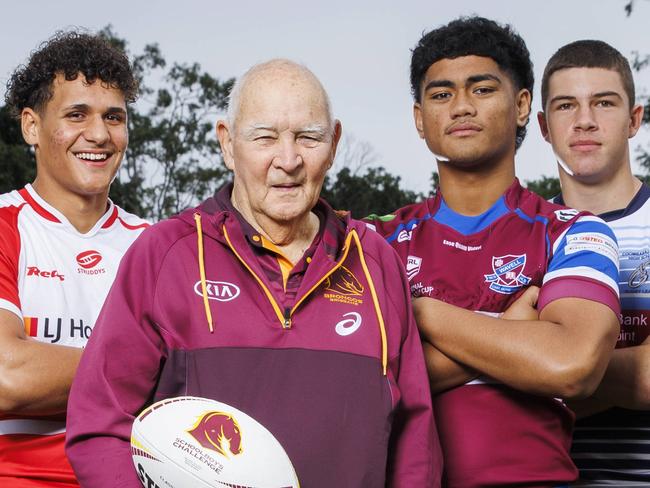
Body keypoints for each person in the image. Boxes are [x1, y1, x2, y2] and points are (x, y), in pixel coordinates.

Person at [65, 59, 440, 487]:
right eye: (264, 137)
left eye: (308, 137)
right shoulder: (163, 255)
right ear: (227, 144)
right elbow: (99, 424)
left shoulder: (376, 261)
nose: (288, 159)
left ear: (333, 143)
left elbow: (416, 441)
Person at [366, 17, 620, 487]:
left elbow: (570, 364)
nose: (461, 106)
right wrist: (510, 330)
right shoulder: (373, 242)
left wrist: (420, 314)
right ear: (420, 119)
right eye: (441, 95)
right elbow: (360, 384)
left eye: (481, 89)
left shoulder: (573, 232)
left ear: (522, 105)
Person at [0, 31, 148, 487]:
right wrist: (147, 366)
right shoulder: (5, 224)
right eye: (76, 114)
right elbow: (8, 375)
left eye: (114, 117)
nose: (100, 135)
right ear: (31, 127)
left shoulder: (156, 244)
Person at [538, 39, 648, 486]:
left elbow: (501, 381)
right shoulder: (518, 234)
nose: (584, 120)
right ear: (543, 125)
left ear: (634, 120)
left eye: (604, 102)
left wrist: (548, 368)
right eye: (566, 106)